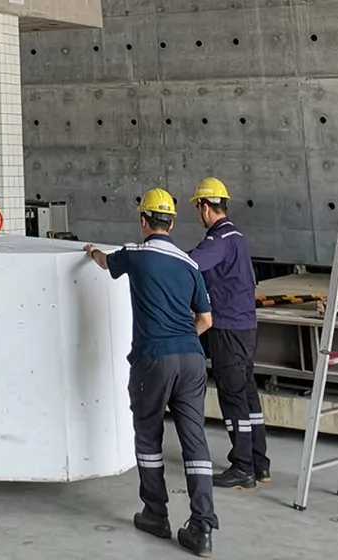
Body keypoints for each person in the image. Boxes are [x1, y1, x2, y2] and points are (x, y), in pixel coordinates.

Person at [83, 188, 218, 557]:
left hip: (153, 359)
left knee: (148, 437)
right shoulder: (190, 265)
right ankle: (203, 528)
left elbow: (105, 263)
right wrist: (182, 338)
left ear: (144, 221)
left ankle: (156, 515)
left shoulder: (136, 254)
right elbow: (206, 319)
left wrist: (91, 251)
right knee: (195, 442)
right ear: (171, 223)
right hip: (191, 358)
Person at [188, 177, 271, 489]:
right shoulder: (237, 237)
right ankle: (259, 463)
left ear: (205, 207)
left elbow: (190, 265)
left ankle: (242, 467)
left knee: (233, 397)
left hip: (227, 329)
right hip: (246, 327)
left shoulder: (217, 239)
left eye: (198, 208)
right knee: (248, 395)